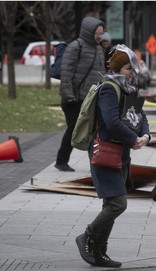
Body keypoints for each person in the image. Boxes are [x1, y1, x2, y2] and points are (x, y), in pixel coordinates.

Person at [75, 44, 151, 268]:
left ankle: (99, 253)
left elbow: (140, 114)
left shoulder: (129, 88)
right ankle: (87, 237)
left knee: (111, 202)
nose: (132, 72)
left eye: (132, 68)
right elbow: (112, 122)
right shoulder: (109, 88)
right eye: (128, 68)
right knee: (118, 203)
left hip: (120, 152)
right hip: (106, 151)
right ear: (118, 68)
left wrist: (145, 136)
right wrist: (133, 139)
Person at [55, 16, 106, 172]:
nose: (99, 36)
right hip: (74, 98)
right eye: (96, 33)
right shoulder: (75, 47)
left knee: (93, 130)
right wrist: (69, 95)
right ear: (88, 32)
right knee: (73, 129)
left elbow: (100, 73)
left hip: (90, 98)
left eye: (101, 33)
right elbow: (66, 73)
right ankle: (61, 161)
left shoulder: (98, 48)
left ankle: (96, 161)